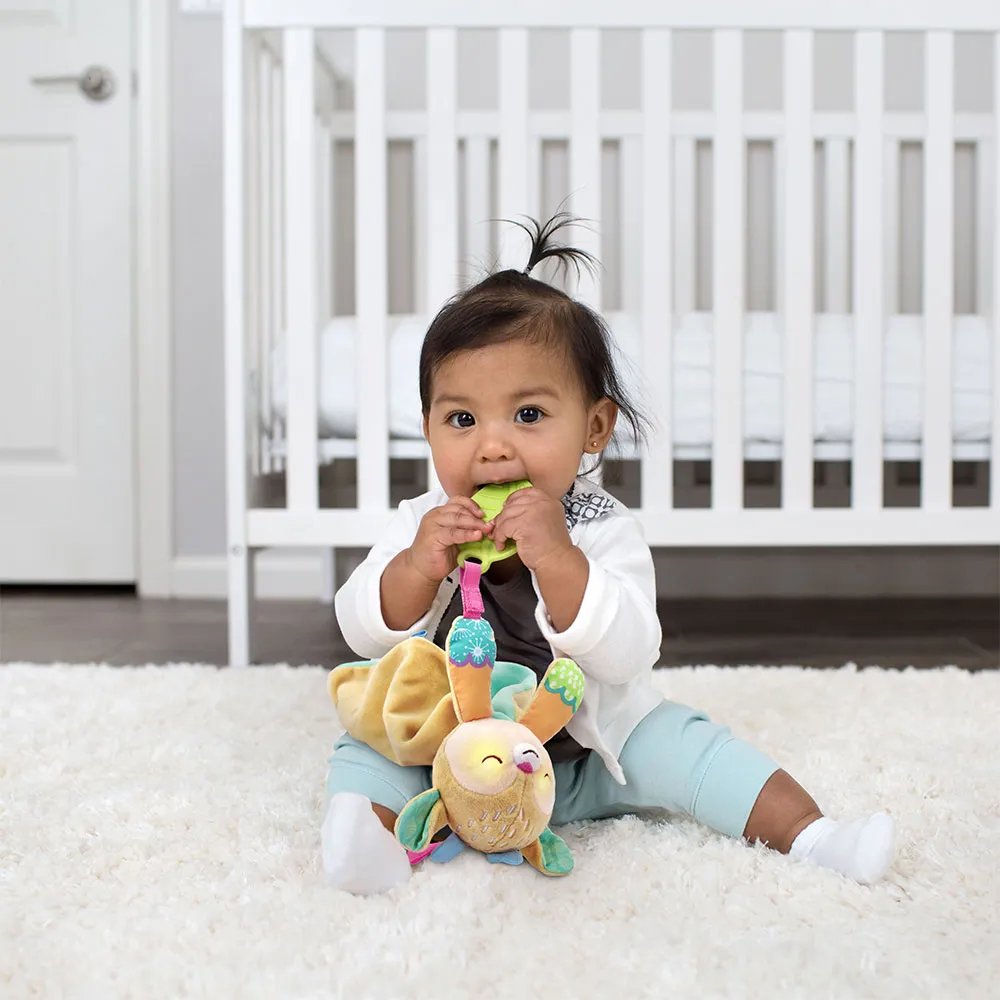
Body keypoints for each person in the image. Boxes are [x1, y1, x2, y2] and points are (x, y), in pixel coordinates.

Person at [322, 213, 895, 895]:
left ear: (594, 427)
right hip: (449, 759)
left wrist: (559, 559)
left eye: (528, 415)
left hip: (584, 762)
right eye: (462, 419)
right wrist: (417, 568)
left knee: (686, 743)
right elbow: (360, 629)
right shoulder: (425, 522)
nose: (493, 446)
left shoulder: (601, 525)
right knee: (369, 740)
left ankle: (815, 835)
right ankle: (369, 841)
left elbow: (627, 654)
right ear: (428, 428)